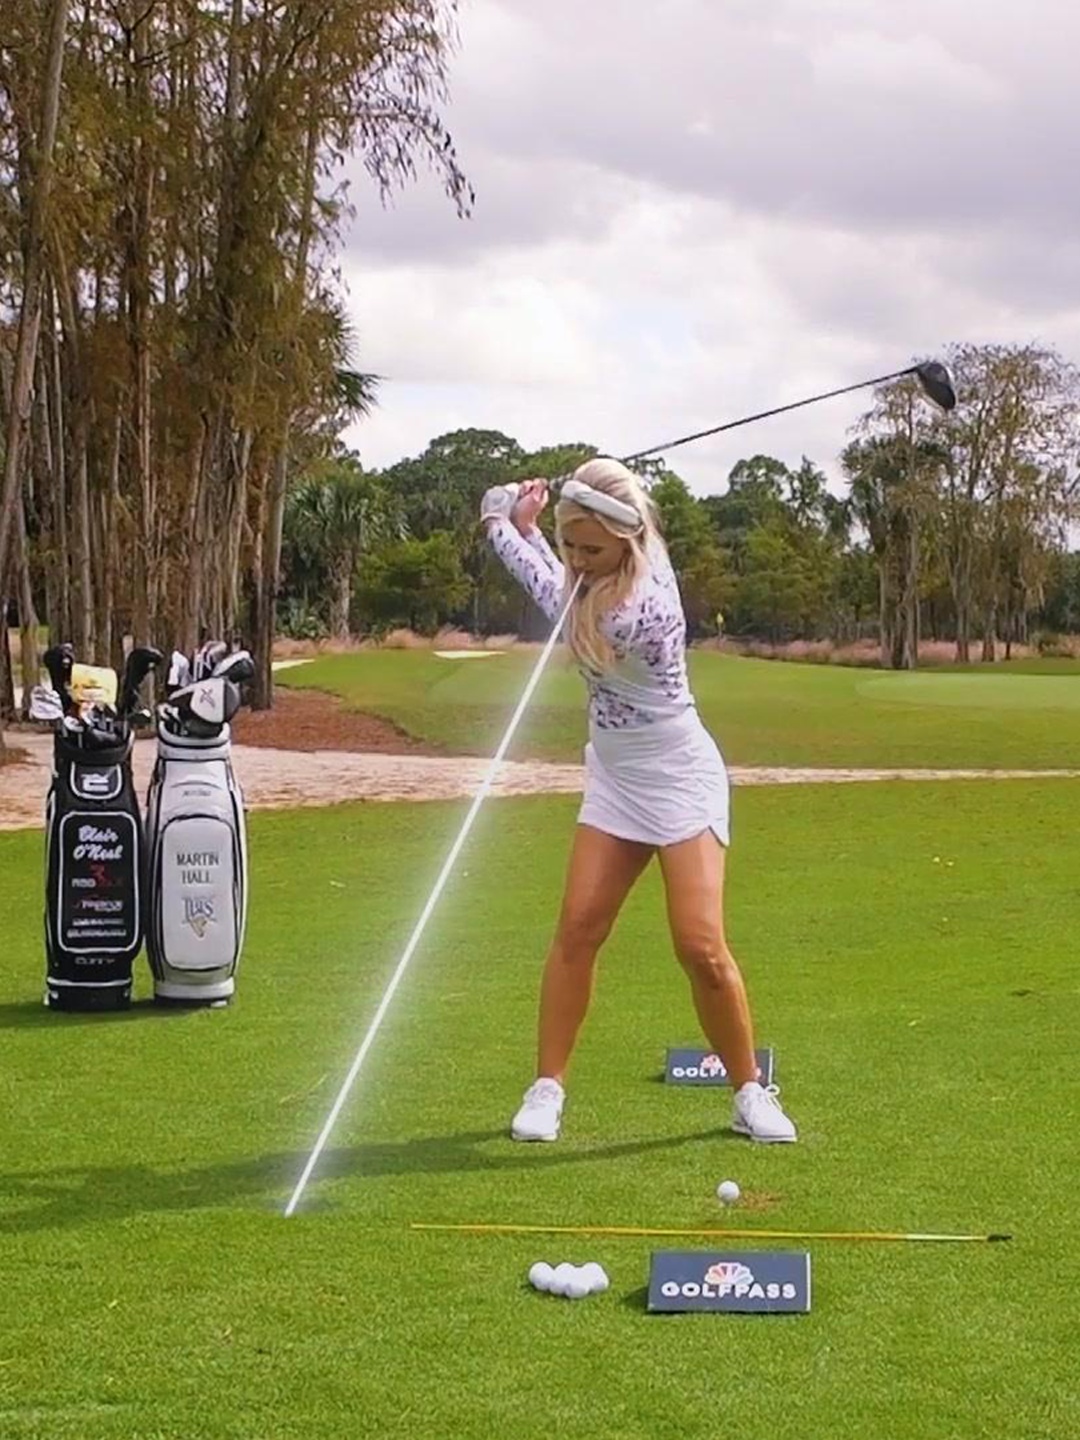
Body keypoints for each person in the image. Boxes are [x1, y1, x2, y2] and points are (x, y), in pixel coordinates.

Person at [480, 458, 797, 1145]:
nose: (578, 561)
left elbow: (548, 588)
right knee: (578, 929)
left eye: (591, 550)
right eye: (570, 546)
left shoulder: (638, 607)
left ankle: (749, 1091)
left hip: (679, 775)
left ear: (627, 540)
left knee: (700, 945)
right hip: (617, 778)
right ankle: (546, 1089)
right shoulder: (604, 567)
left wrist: (499, 521)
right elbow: (562, 570)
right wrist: (533, 525)